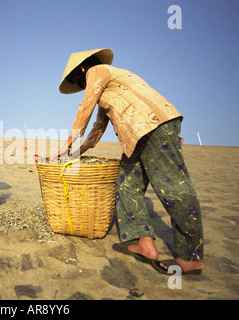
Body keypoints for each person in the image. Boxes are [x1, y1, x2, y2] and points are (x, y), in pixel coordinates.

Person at [53, 48, 204, 275]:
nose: (80, 84)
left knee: (173, 188)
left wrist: (68, 143)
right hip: (135, 136)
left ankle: (191, 258)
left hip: (154, 126)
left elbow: (87, 105)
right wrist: (79, 151)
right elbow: (99, 125)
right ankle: (144, 243)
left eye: (77, 79)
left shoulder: (98, 70)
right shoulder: (109, 87)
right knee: (126, 185)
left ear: (82, 69)